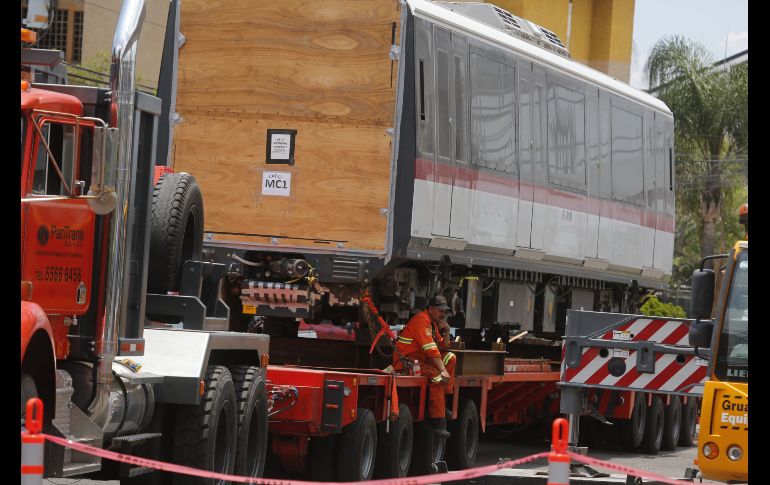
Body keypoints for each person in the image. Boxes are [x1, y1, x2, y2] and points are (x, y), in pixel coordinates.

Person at [392, 295, 457, 437]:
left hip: (421, 360)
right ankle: (436, 420)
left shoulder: (432, 323)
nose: (443, 314)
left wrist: (447, 331)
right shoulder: (422, 320)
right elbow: (430, 349)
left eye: (445, 311)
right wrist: (442, 370)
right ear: (431, 309)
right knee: (438, 377)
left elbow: (443, 346)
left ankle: (443, 401)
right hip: (407, 361)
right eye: (440, 311)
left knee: (451, 358)